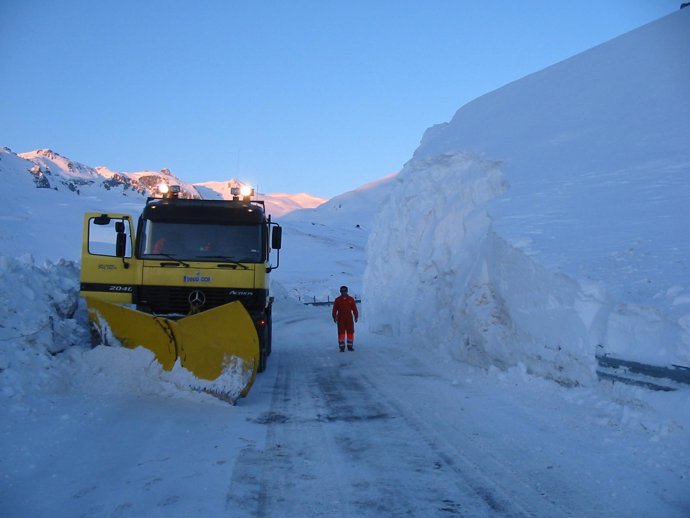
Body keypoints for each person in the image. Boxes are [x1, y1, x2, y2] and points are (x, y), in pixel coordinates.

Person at [332, 285, 358, 352]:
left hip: (349, 318)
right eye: (342, 291)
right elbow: (334, 310)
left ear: (347, 291)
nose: (343, 292)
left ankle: (350, 346)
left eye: (345, 291)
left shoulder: (351, 299)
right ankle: (342, 347)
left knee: (350, 332)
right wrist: (334, 317)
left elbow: (354, 309)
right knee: (341, 333)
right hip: (340, 319)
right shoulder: (337, 300)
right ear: (340, 291)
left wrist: (356, 316)